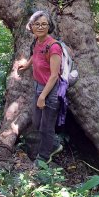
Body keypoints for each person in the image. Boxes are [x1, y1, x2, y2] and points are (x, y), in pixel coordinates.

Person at [18, 10, 64, 164]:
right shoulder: (38, 41)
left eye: (44, 24)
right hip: (38, 86)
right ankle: (55, 143)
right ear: (31, 27)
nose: (40, 27)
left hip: (50, 91)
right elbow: (35, 55)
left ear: (49, 26)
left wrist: (43, 96)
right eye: (37, 24)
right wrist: (27, 64)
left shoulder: (54, 47)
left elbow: (54, 76)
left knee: (46, 126)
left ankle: (43, 157)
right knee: (37, 122)